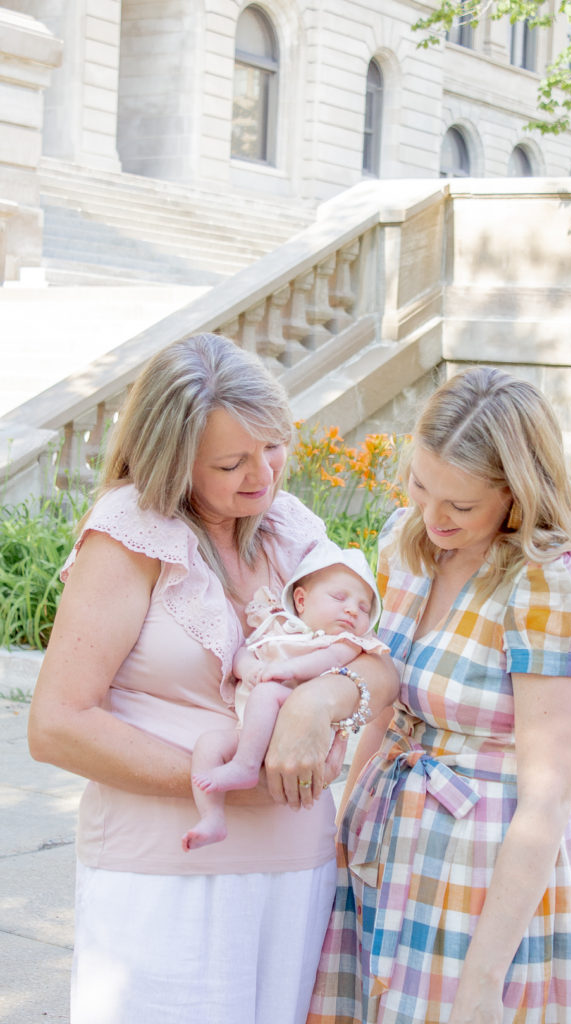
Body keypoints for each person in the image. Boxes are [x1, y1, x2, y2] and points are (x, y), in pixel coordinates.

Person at [27, 332, 397, 1024]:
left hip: (295, 867)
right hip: (165, 873)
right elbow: (55, 726)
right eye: (232, 462)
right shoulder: (128, 535)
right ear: (174, 461)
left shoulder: (288, 524)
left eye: (272, 447)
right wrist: (227, 781)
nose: (264, 474)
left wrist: (322, 698)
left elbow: (379, 664)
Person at [308, 366, 571, 1024]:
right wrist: (340, 833)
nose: (433, 516)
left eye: (459, 505)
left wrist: (482, 979)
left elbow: (548, 792)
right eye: (422, 487)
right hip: (388, 844)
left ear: (516, 495)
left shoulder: (550, 582)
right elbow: (388, 699)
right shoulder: (408, 541)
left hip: (485, 872)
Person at [183, 541, 389, 850]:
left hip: (297, 733)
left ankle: (246, 766)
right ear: (301, 600)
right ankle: (211, 817)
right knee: (208, 744)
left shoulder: (344, 643)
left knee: (266, 693)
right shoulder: (276, 626)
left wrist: (289, 669)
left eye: (363, 607)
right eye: (339, 597)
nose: (351, 609)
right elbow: (243, 653)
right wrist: (249, 668)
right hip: (252, 734)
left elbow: (325, 662)